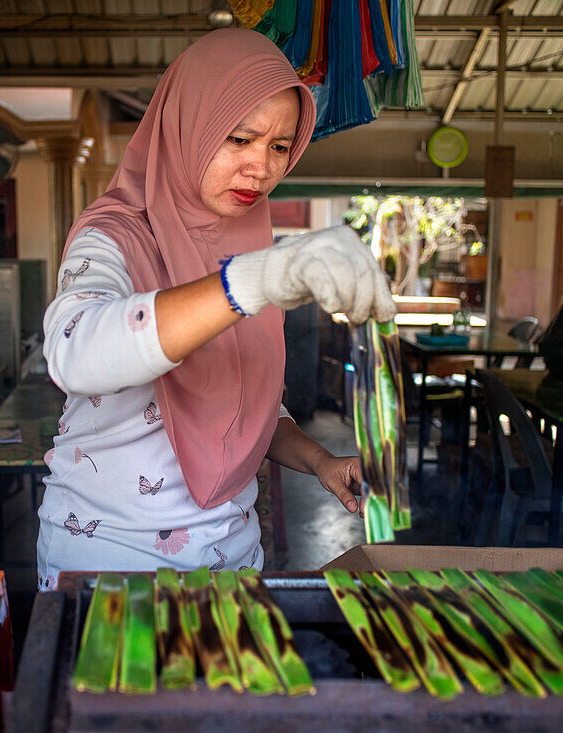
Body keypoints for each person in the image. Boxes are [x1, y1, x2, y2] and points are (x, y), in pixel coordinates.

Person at [35, 28, 396, 589]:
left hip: (230, 558)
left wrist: (320, 462)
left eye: (280, 147)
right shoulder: (114, 236)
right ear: (188, 128)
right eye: (239, 139)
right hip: (111, 561)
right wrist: (252, 280)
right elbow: (74, 353)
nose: (262, 167)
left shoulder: (243, 244)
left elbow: (248, 408)